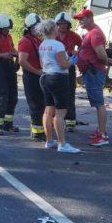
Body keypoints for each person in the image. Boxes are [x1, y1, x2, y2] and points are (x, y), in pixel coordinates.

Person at [35, 20, 81, 153]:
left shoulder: (42, 45)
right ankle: (62, 144)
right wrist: (73, 59)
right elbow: (63, 65)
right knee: (60, 113)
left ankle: (49, 141)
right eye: (56, 26)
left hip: (45, 77)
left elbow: (42, 63)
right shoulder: (58, 45)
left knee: (48, 111)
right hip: (58, 78)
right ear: (53, 29)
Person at [74, 8, 112, 147]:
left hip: (94, 72)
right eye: (79, 19)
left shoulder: (95, 34)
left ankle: (103, 136)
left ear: (90, 18)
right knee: (97, 103)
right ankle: (100, 131)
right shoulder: (90, 33)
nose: (79, 21)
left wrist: (108, 61)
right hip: (91, 71)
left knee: (99, 104)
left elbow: (101, 55)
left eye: (82, 18)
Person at [16, 13, 45, 142]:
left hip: (39, 75)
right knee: (35, 105)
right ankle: (37, 133)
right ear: (30, 28)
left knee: (42, 103)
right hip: (32, 76)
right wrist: (37, 72)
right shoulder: (25, 41)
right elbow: (22, 61)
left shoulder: (37, 40)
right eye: (36, 27)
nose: (39, 29)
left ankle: (41, 129)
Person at [54, 12, 83, 130]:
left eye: (65, 24)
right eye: (60, 24)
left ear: (69, 24)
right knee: (55, 94)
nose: (62, 26)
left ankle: (70, 121)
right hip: (56, 67)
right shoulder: (53, 35)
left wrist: (77, 53)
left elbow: (83, 46)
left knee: (70, 93)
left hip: (69, 67)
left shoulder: (74, 35)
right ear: (57, 25)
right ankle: (56, 119)